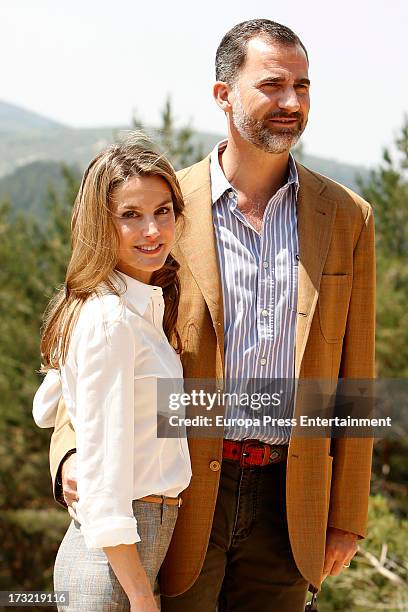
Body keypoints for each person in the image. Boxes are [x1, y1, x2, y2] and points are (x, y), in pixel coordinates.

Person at [46, 19, 375, 612]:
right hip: (183, 491)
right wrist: (71, 450)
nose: (291, 102)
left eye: (302, 86)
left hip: (292, 500)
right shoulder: (162, 209)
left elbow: (357, 378)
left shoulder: (348, 215)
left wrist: (348, 513)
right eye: (272, 84)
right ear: (223, 93)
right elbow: (92, 329)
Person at [32, 135, 192, 611]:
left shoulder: (130, 309)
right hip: (115, 566)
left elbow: (46, 407)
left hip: (128, 556)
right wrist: (142, 596)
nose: (152, 231)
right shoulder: (110, 319)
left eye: (163, 211)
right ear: (100, 224)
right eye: (131, 215)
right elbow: (102, 483)